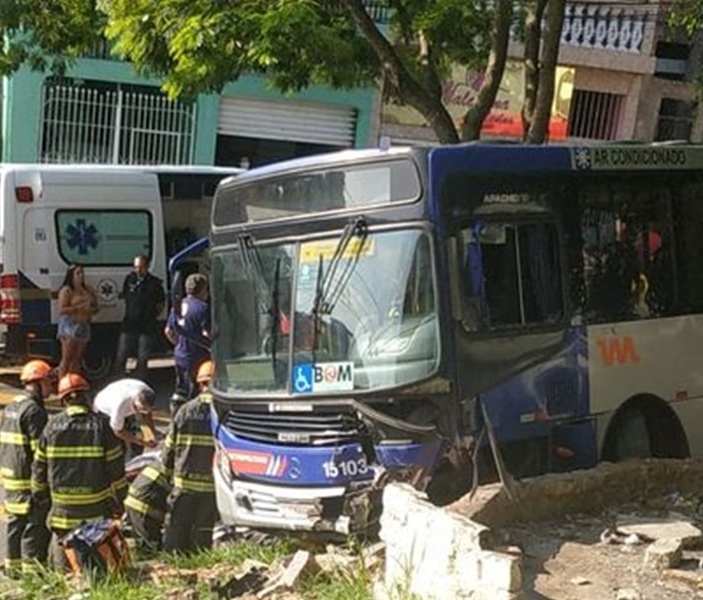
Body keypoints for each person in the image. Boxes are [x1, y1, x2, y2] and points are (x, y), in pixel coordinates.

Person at [31, 372, 127, 570]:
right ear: (86, 396)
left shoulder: (51, 427)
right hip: (95, 511)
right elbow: (116, 471)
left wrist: (39, 496)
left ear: (63, 399)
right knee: (96, 565)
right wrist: (121, 502)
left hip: (62, 512)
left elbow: (39, 468)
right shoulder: (101, 426)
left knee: (62, 564)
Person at [0, 360, 54, 577]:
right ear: (38, 383)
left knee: (15, 522)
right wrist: (42, 483)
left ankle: (12, 569)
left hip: (10, 473)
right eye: (49, 381)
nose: (52, 386)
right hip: (27, 478)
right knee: (35, 524)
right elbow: (39, 453)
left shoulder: (13, 405)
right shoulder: (34, 411)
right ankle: (34, 572)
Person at [162, 360, 217, 554]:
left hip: (184, 484)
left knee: (177, 528)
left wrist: (167, 475)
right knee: (204, 531)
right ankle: (201, 561)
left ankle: (175, 561)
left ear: (199, 383)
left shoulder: (184, 411)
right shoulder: (223, 413)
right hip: (211, 486)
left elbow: (169, 449)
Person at [113, 254, 166, 383]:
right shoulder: (129, 280)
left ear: (147, 267)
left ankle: (139, 382)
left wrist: (151, 315)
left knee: (143, 357)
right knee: (121, 355)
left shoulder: (154, 283)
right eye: (136, 267)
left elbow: (161, 304)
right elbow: (126, 297)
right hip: (129, 325)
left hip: (147, 326)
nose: (138, 270)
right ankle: (118, 379)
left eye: (141, 267)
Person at [164, 273, 211, 412]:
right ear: (204, 289)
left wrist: (178, 344)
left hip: (180, 355)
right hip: (197, 357)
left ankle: (177, 414)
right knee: (195, 392)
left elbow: (168, 331)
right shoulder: (203, 308)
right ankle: (191, 417)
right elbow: (207, 333)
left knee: (181, 388)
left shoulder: (178, 306)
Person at [93, 378, 158, 459]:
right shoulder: (120, 405)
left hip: (122, 395)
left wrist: (154, 433)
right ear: (135, 403)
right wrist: (142, 442)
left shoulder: (147, 391)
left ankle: (134, 459)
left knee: (136, 435)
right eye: (142, 409)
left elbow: (147, 415)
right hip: (104, 410)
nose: (144, 412)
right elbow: (118, 431)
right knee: (115, 444)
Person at [56, 264, 99, 378]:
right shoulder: (67, 290)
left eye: (82, 273)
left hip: (84, 324)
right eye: (78, 273)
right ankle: (62, 384)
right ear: (71, 275)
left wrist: (91, 309)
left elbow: (96, 307)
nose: (81, 276)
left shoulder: (88, 289)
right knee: (67, 358)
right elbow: (61, 310)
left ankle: (74, 383)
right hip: (69, 325)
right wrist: (78, 308)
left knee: (77, 358)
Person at [124, 459, 171, 553]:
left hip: (137, 501)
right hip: (145, 507)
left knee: (144, 545)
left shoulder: (175, 458)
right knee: (151, 549)